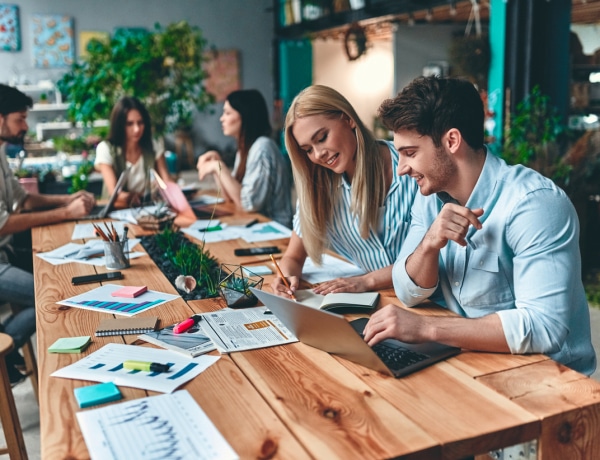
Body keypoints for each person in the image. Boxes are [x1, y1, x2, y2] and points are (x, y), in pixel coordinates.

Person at [364, 76, 596, 377]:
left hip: (549, 382)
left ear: (451, 141)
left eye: (410, 153)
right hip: (469, 363)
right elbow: (409, 292)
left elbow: (544, 328)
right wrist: (430, 243)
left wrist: (426, 327)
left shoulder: (534, 205)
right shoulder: (430, 196)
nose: (402, 169)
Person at [271, 85, 418, 297]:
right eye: (308, 150)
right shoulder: (316, 187)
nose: (318, 154)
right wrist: (285, 278)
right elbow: (293, 257)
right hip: (380, 302)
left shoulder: (411, 167)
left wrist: (366, 281)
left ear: (347, 119)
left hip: (431, 302)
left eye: (321, 138)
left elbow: (435, 256)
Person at [0, 83, 96, 383]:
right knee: (52, 295)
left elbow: (23, 199)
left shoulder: (0, 152)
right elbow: (3, 223)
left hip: (5, 254)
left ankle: (8, 348)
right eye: (20, 119)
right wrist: (66, 214)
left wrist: (68, 199)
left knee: (58, 285)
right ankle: (6, 347)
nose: (25, 126)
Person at [196, 89, 292, 227]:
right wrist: (217, 166)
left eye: (228, 113)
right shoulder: (244, 150)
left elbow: (247, 204)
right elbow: (230, 197)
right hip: (256, 227)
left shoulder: (262, 148)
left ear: (246, 116)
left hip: (275, 232)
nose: (221, 118)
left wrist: (219, 167)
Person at [95, 96, 170, 208]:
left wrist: (172, 191)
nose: (137, 129)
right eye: (129, 124)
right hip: (116, 212)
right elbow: (114, 192)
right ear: (119, 125)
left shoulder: (153, 144)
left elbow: (166, 181)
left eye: (140, 122)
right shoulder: (106, 148)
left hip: (148, 209)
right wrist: (132, 197)